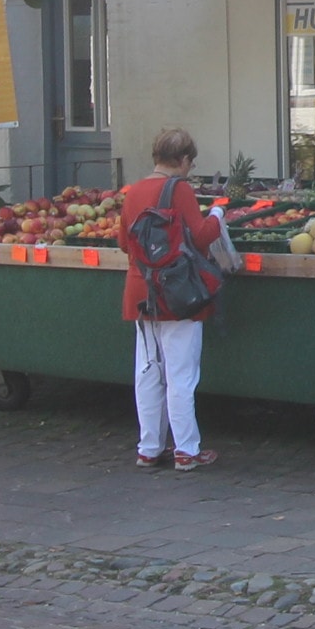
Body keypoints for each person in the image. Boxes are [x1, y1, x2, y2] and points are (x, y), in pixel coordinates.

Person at [120, 128, 238, 472]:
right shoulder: (179, 189)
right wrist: (217, 215)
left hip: (141, 290)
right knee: (181, 375)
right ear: (183, 159)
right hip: (178, 292)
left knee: (147, 371)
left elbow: (125, 244)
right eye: (191, 161)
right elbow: (200, 238)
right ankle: (186, 450)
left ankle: (149, 448)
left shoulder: (134, 191)